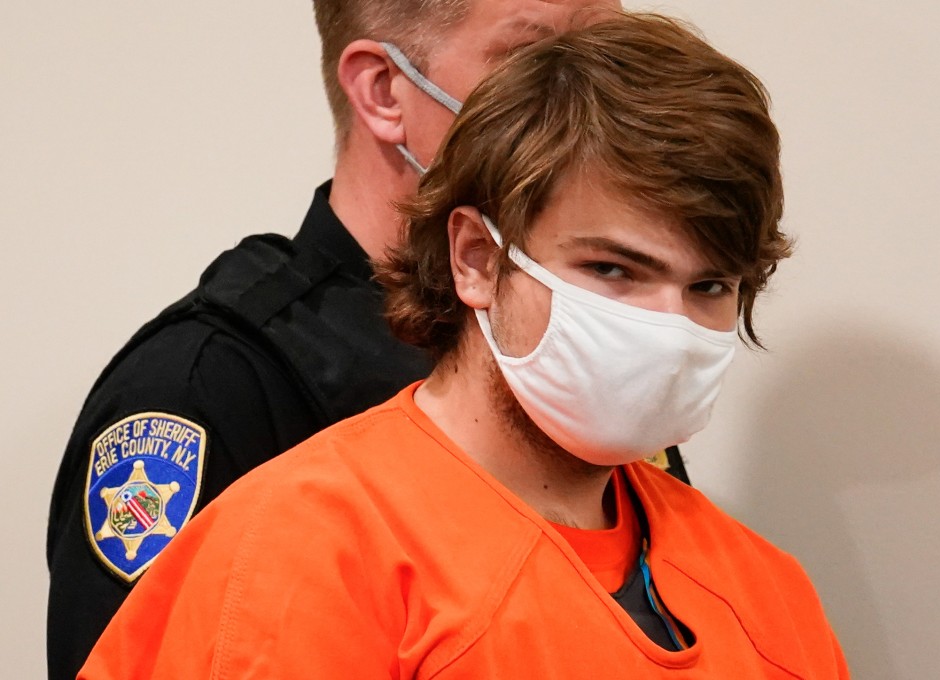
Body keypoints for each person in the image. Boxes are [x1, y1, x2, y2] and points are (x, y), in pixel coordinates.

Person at [77, 13, 849, 678]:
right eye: (612, 269)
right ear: (478, 259)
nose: (666, 326)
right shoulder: (302, 551)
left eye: (710, 288)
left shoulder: (764, 595)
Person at [45, 1, 640, 678]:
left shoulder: (586, 337)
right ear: (386, 92)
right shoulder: (209, 387)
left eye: (614, 58)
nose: (598, 104)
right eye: (537, 62)